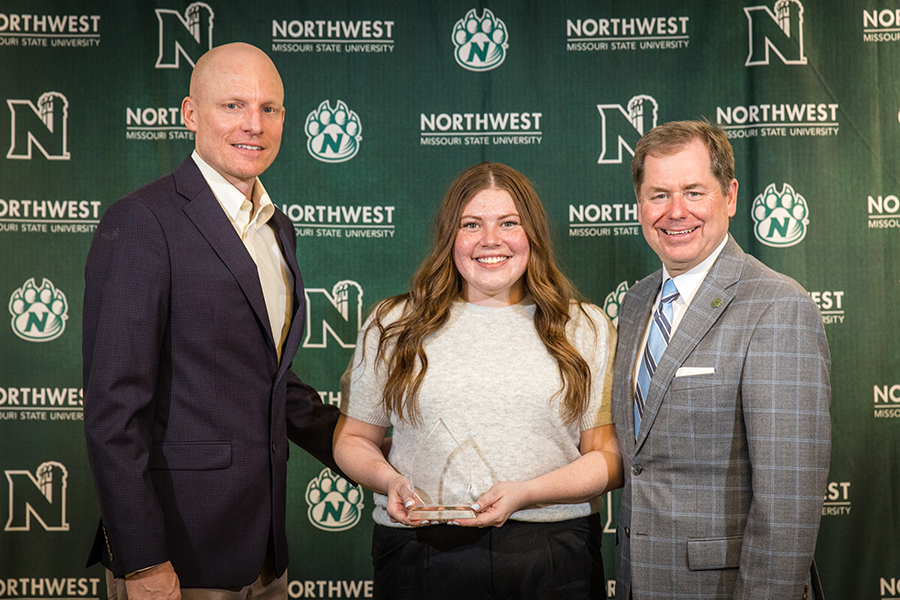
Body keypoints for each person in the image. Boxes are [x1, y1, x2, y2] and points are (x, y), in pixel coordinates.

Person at [82, 43, 342, 600]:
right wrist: (142, 561)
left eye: (270, 109)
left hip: (266, 553)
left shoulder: (278, 228)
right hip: (178, 556)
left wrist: (374, 450)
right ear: (190, 114)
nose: (254, 124)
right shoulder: (142, 221)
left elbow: (271, 383)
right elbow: (113, 407)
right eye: (234, 106)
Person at [333, 162, 623, 599]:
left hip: (553, 556)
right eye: (472, 225)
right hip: (421, 553)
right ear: (451, 237)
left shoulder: (586, 327)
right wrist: (389, 481)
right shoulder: (392, 323)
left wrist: (525, 493)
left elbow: (608, 458)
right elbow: (352, 439)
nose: (491, 240)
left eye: (509, 223)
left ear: (533, 236)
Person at [611, 120, 831, 599]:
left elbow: (788, 501)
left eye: (693, 191)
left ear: (729, 197)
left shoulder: (777, 306)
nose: (675, 212)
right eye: (658, 195)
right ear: (640, 204)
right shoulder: (636, 303)